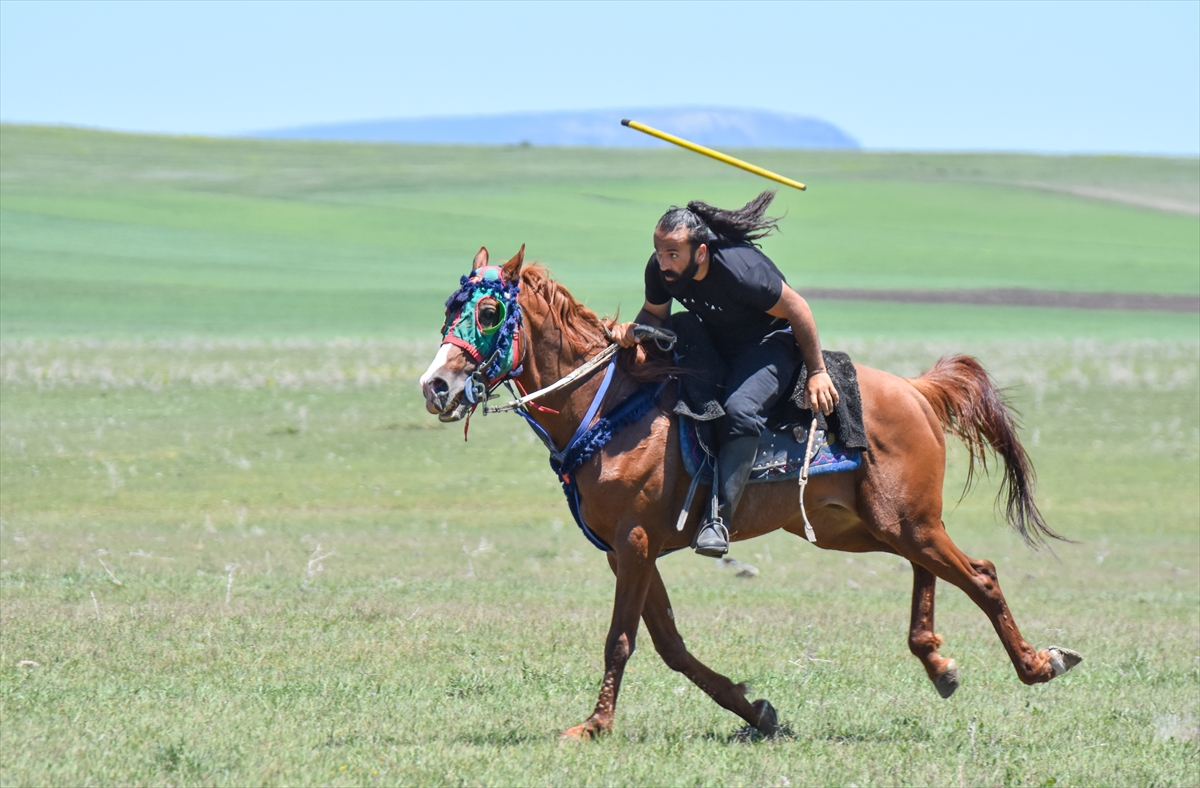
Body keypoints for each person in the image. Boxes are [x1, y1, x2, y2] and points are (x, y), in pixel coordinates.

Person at [612, 190, 839, 557]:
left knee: (739, 411)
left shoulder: (741, 270)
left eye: (673, 254)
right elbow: (655, 314)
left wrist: (817, 371)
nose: (664, 263)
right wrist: (631, 332)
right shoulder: (660, 270)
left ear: (700, 252)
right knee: (675, 347)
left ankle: (718, 520)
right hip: (716, 337)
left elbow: (798, 309)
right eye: (659, 252)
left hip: (770, 343)